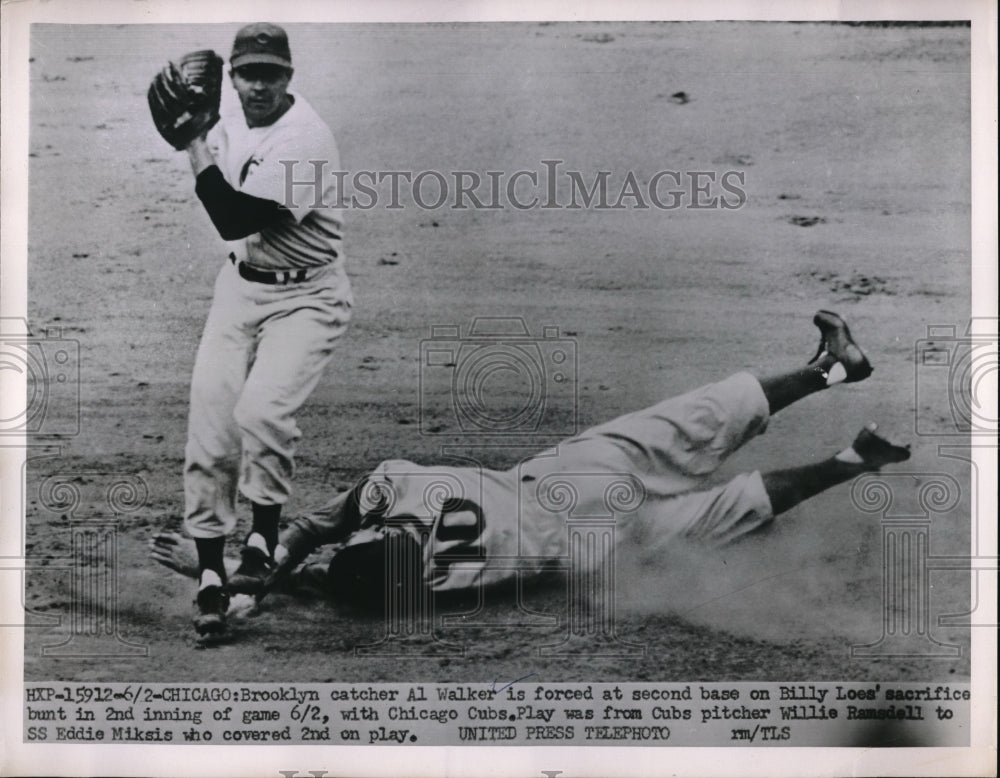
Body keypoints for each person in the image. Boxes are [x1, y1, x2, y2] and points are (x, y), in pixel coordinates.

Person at [153, 311, 911, 624]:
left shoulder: (435, 589)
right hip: (574, 475)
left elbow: (316, 576)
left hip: (597, 546)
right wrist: (254, 565)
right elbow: (316, 534)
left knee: (728, 511)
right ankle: (829, 372)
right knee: (702, 419)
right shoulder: (397, 482)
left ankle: (854, 459)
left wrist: (221, 582)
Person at [179, 23, 353, 636]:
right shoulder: (226, 125)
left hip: (309, 295)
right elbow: (237, 237)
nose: (259, 85)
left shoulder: (306, 139)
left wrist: (192, 144)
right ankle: (208, 573)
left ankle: (262, 540)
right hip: (241, 287)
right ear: (232, 77)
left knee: (263, 410)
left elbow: (232, 216)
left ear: (288, 78)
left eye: (270, 74)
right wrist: (203, 134)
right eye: (248, 73)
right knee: (211, 422)